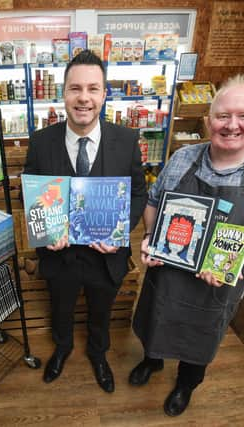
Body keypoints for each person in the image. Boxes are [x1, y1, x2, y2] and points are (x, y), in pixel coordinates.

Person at [130, 74, 244, 415]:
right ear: (208, 121)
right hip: (168, 271)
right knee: (156, 320)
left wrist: (229, 257)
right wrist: (149, 237)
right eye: (222, 116)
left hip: (216, 283)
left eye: (243, 115)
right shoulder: (183, 158)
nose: (232, 125)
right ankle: (152, 361)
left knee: (201, 336)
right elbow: (154, 201)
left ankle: (185, 385)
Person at [23, 50, 146, 393]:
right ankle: (62, 349)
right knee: (60, 308)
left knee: (101, 311)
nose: (84, 98)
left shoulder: (126, 141)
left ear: (104, 94)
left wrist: (121, 231)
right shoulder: (41, 141)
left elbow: (138, 194)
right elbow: (32, 193)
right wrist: (45, 231)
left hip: (105, 255)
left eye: (93, 88)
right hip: (59, 254)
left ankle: (99, 355)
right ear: (63, 93)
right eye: (75, 88)